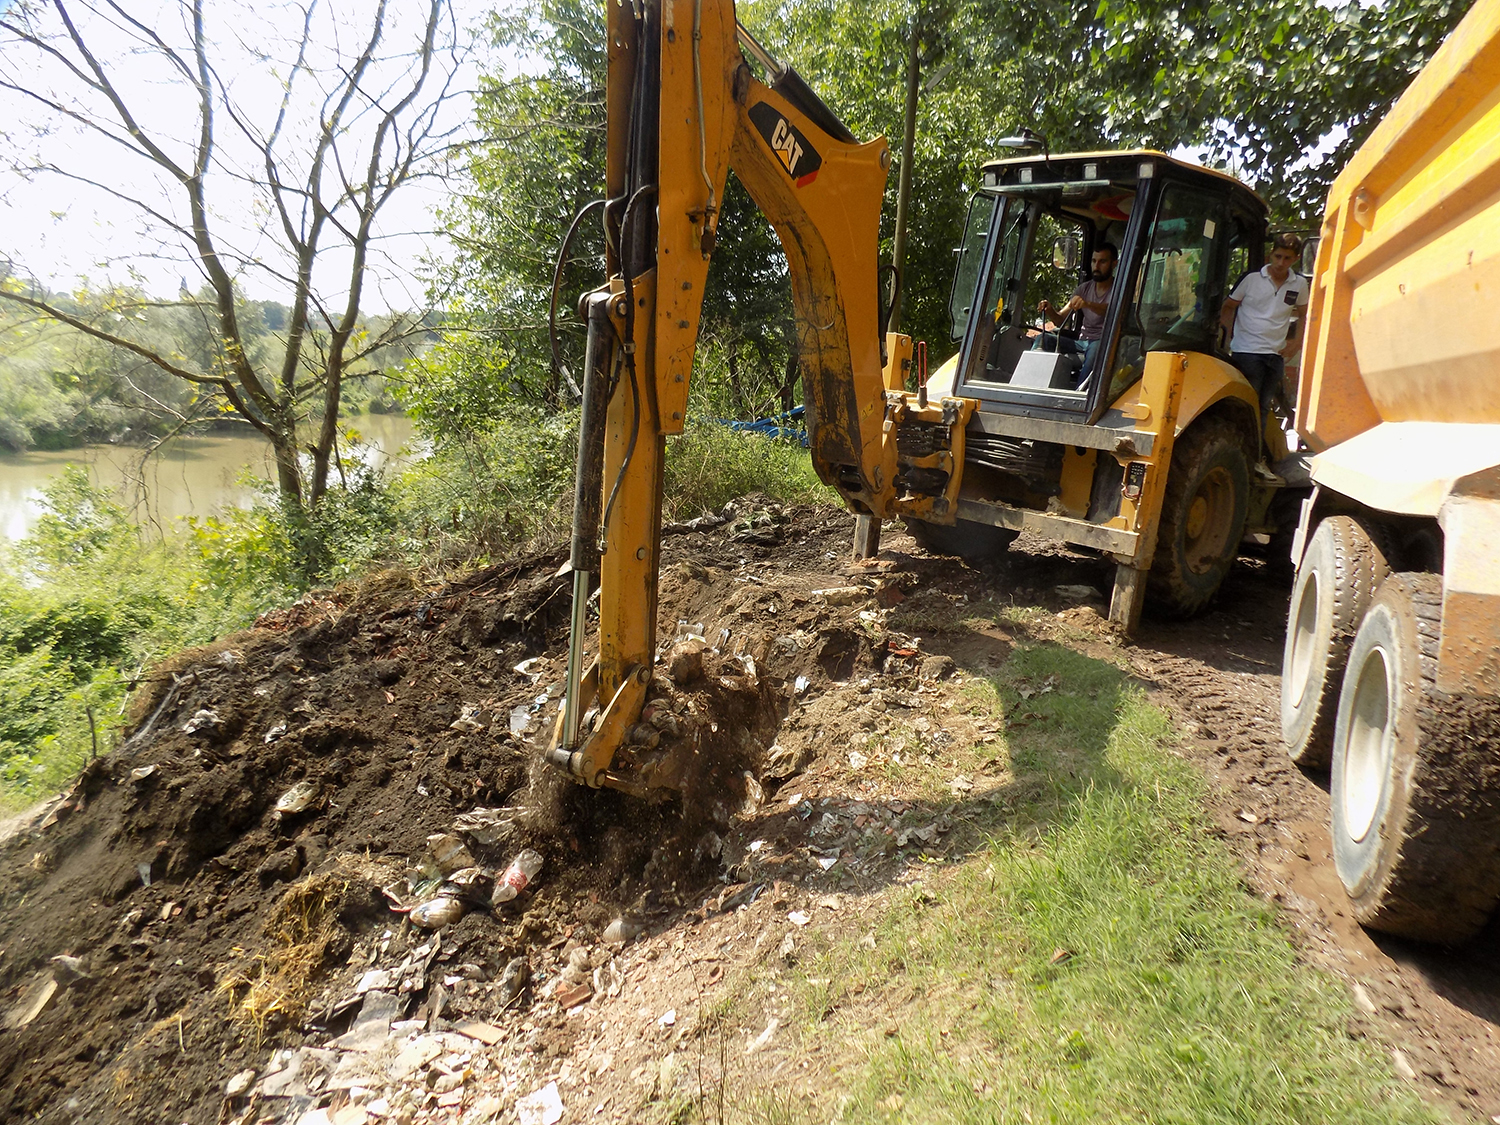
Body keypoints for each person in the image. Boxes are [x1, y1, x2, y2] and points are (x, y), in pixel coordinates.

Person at [1219, 233, 1308, 425]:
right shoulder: (1251, 280)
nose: (1281, 263)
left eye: (1287, 258)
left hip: (1275, 356)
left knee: (1263, 408)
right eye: (1278, 256)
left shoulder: (1299, 284)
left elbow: (1304, 314)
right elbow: (1228, 307)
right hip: (1246, 352)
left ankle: (1255, 454)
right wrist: (1225, 342)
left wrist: (1296, 344)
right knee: (1244, 406)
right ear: (1270, 254)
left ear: (1296, 259)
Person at [1033, 242, 1117, 377]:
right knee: (1043, 339)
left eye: (1102, 262)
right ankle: (1032, 385)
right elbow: (1060, 320)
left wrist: (1088, 304)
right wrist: (1050, 310)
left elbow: (1113, 311)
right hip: (1082, 342)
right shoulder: (1083, 289)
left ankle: (1080, 394)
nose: (1096, 266)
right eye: (1094, 261)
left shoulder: (1119, 289)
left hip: (1105, 343)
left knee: (1096, 348)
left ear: (1114, 264)